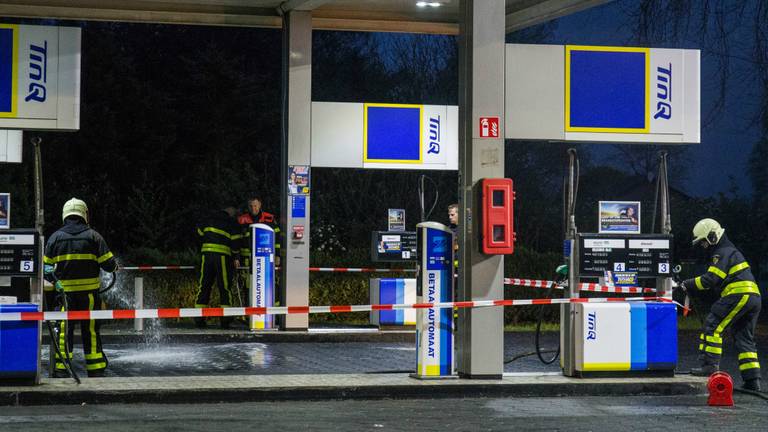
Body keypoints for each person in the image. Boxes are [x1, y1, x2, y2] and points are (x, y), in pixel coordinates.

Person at [679, 218, 762, 391]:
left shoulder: (722, 252)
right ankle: (753, 381)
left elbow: (710, 280)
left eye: (703, 242)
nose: (703, 246)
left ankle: (709, 366)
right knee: (744, 338)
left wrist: (687, 283)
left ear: (712, 237)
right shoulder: (730, 251)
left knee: (713, 324)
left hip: (738, 294)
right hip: (753, 297)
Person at [43, 198, 117, 378]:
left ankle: (62, 368)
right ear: (84, 214)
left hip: (64, 296)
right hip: (89, 296)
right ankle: (95, 367)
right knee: (90, 330)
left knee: (63, 330)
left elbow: (46, 269)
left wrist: (57, 282)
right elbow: (109, 265)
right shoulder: (94, 236)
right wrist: (115, 267)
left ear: (65, 214)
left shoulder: (55, 238)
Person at [195, 206, 242, 329]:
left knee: (204, 286)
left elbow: (199, 233)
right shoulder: (231, 222)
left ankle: (199, 318)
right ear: (232, 214)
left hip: (206, 256)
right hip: (222, 257)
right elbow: (236, 242)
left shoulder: (209, 218)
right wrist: (236, 256)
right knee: (224, 287)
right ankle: (225, 319)